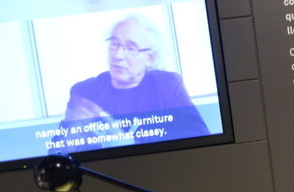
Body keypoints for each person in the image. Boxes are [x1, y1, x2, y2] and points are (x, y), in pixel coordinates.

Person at [52, 14, 209, 153]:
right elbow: (55, 153)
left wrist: (132, 145)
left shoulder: (166, 85)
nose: (118, 55)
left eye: (131, 48)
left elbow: (200, 137)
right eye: (114, 44)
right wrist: (72, 133)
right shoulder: (85, 92)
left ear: (150, 58)